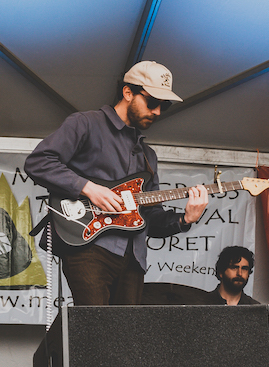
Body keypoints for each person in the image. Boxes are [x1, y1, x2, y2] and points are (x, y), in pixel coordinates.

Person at [24, 60, 208, 305]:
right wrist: (87, 188)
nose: (157, 112)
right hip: (89, 247)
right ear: (128, 92)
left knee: (124, 338)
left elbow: (151, 218)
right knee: (97, 330)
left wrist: (185, 220)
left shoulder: (148, 156)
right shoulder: (85, 123)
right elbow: (38, 162)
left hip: (133, 259)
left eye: (163, 106)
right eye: (152, 102)